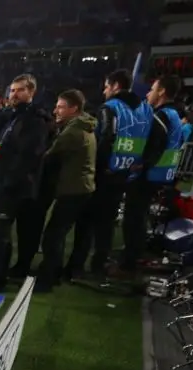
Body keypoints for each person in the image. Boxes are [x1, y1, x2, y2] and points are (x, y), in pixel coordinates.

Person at [69, 69, 159, 278]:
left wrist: (97, 167)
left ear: (116, 85)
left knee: (87, 222)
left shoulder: (110, 108)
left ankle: (77, 266)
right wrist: (141, 164)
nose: (104, 91)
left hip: (103, 173)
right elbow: (154, 142)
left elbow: (105, 139)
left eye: (107, 86)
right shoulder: (146, 110)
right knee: (107, 223)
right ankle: (100, 265)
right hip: (126, 173)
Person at [0, 74, 53, 292]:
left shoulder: (35, 120)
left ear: (31, 92)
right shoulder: (9, 117)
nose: (14, 95)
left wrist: (7, 181)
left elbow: (29, 155)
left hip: (9, 185)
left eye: (19, 90)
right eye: (12, 90)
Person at [121, 74, 184, 272]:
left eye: (152, 88)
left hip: (148, 175)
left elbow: (155, 145)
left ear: (162, 91)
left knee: (134, 217)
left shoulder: (161, 115)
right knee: (138, 216)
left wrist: (141, 165)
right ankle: (132, 256)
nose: (148, 93)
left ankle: (129, 262)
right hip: (159, 174)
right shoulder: (174, 115)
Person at [39, 89, 96, 291]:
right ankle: (63, 271)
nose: (56, 110)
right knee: (65, 235)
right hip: (84, 188)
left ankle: (48, 278)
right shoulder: (85, 126)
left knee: (53, 236)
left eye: (61, 107)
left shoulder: (73, 132)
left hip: (73, 190)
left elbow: (48, 156)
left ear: (74, 108)